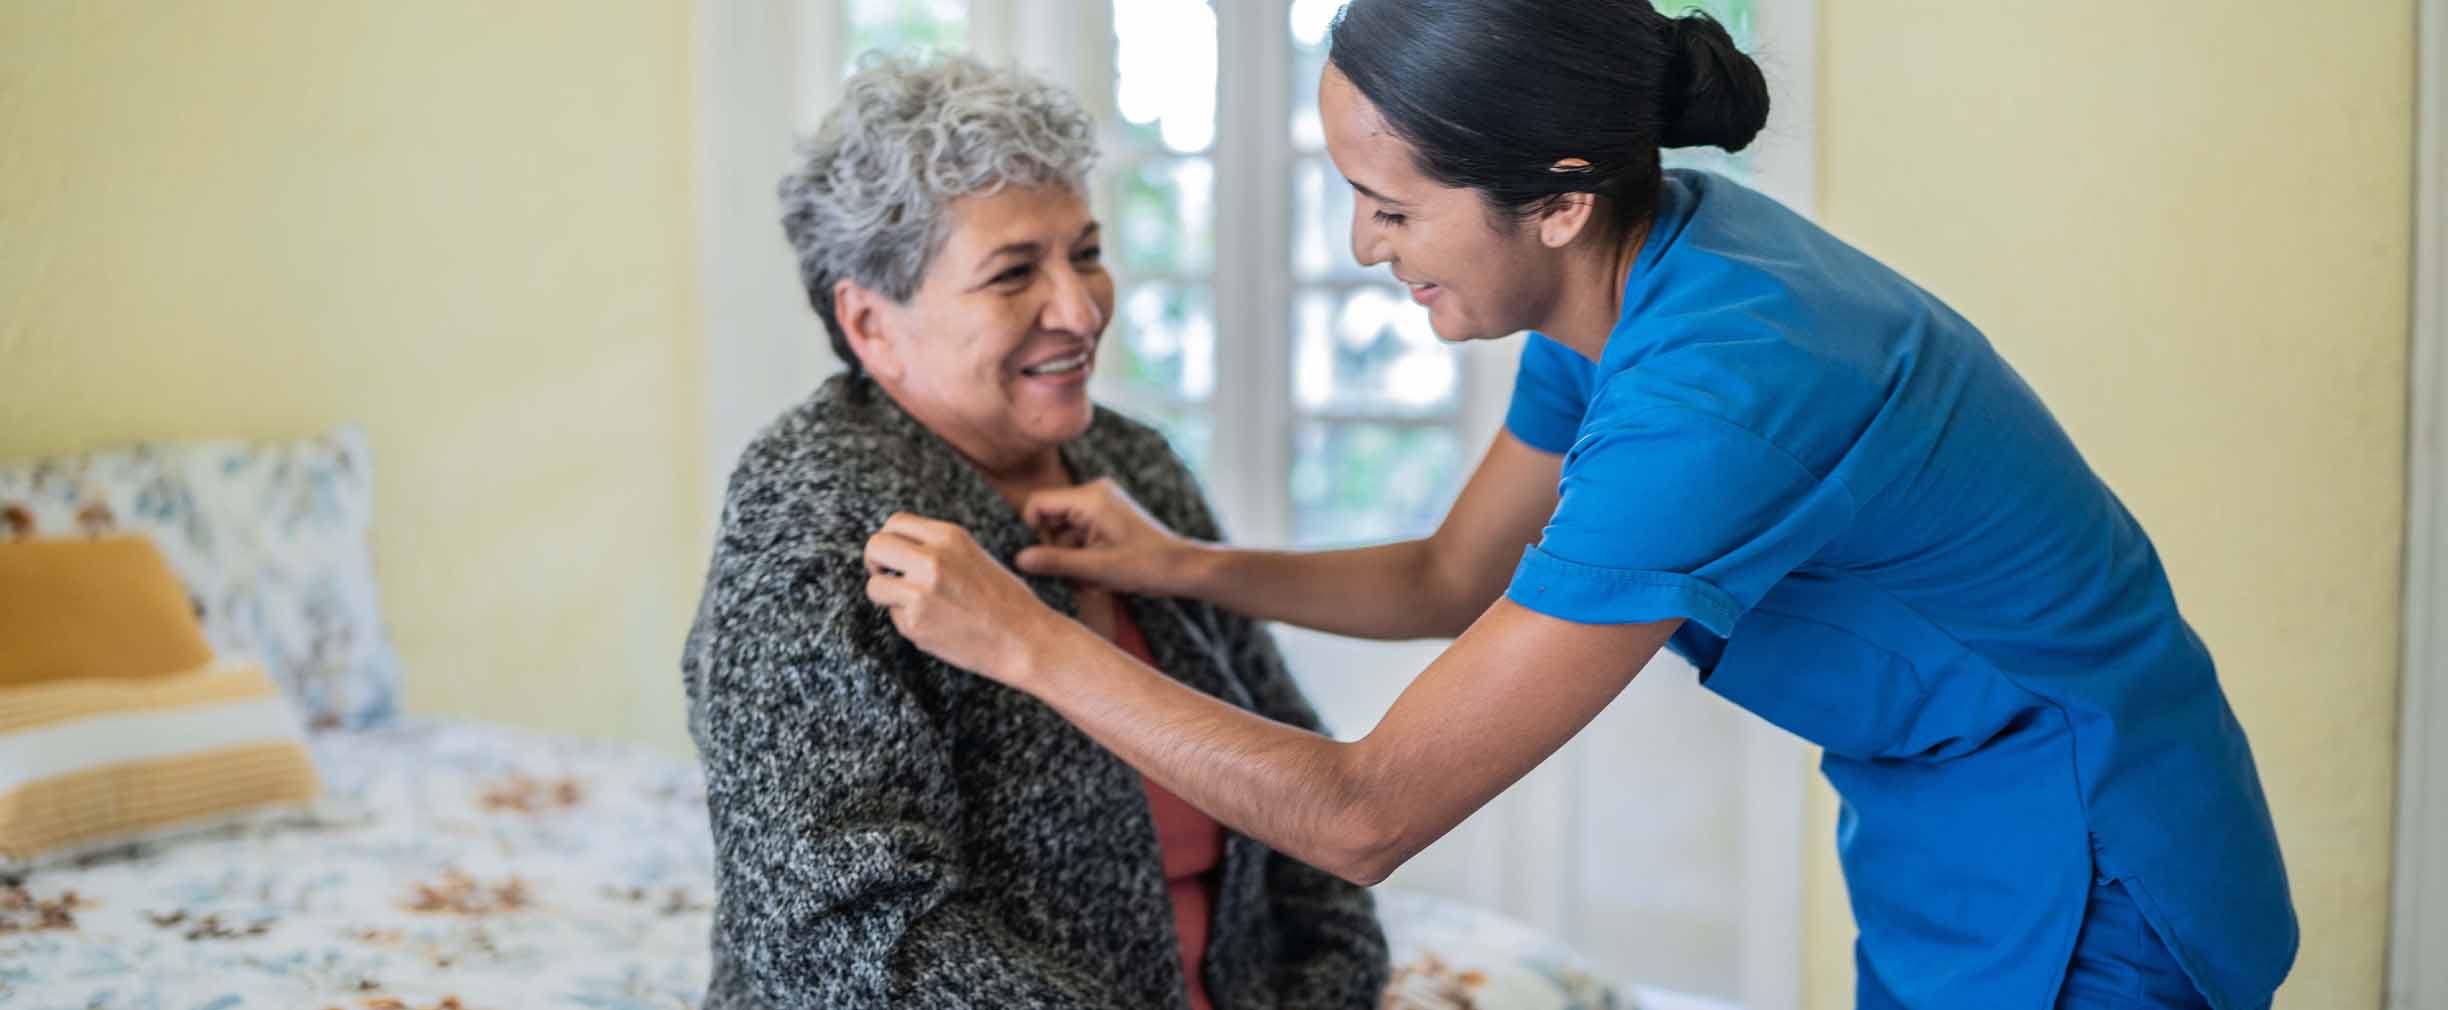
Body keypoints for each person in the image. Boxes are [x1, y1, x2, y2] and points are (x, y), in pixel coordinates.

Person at [856, 3, 2298, 1009]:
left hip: (2087, 848)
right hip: (1943, 818)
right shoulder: (1617, 273)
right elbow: (1448, 575)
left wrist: (1025, 642)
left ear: (1551, 196)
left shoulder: (1719, 385)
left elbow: (1366, 816)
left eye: (1395, 206)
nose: (1363, 244)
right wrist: (1182, 564)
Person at [682, 53, 1387, 1010]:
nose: (1080, 307)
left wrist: (1328, 990)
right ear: (869, 323)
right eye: (1015, 272)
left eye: (1086, 252)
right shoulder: (812, 521)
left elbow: (1295, 784)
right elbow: (843, 938)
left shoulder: (1130, 465)